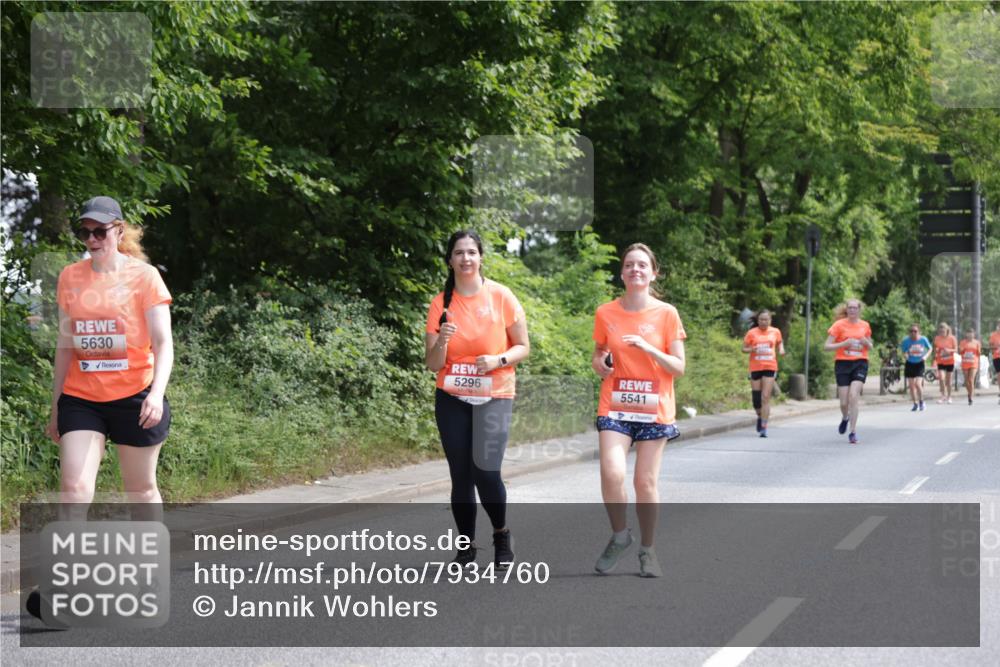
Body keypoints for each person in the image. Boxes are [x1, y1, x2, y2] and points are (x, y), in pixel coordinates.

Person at [29, 196, 173, 620]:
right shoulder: (71, 277)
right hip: (82, 397)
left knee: (140, 489)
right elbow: (65, 346)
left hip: (134, 395)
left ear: (119, 232)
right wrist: (57, 406)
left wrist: (156, 393)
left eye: (100, 231)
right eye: (84, 231)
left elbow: (163, 344)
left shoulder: (144, 278)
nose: (91, 239)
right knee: (74, 488)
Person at [425, 230, 529, 569]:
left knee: (486, 471)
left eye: (471, 252)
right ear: (450, 259)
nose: (465, 258)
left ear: (481, 257)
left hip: (494, 395)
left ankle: (501, 534)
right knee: (461, 475)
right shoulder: (441, 302)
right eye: (459, 253)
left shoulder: (501, 296)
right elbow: (432, 364)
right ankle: (466, 547)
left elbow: (522, 347)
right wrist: (442, 340)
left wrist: (498, 360)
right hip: (452, 396)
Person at [591, 243, 686, 578]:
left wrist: (649, 348)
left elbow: (678, 366)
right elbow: (599, 354)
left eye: (642, 265)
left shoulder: (667, 314)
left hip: (654, 408)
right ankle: (620, 536)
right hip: (615, 403)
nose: (636, 270)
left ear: (653, 273)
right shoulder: (606, 312)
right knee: (611, 472)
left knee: (644, 482)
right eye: (630, 265)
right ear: (622, 273)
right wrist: (600, 364)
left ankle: (648, 550)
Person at [824, 299, 873, 444]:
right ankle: (845, 417)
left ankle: (853, 431)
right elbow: (826, 346)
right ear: (847, 310)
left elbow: (870, 346)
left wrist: (866, 343)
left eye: (854, 308)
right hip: (842, 364)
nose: (852, 310)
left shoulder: (865, 325)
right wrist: (843, 344)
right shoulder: (839, 325)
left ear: (859, 310)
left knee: (853, 396)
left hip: (860, 363)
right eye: (850, 308)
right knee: (844, 402)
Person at [742, 310, 785, 437]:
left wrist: (781, 349)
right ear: (758, 320)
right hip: (755, 367)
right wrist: (751, 349)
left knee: (765, 397)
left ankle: (764, 426)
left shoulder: (775, 331)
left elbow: (780, 342)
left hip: (770, 366)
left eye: (766, 319)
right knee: (756, 400)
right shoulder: (751, 333)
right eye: (761, 319)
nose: (763, 322)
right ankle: (760, 417)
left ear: (770, 320)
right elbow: (743, 348)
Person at [900, 324, 932, 412]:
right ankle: (915, 404)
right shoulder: (906, 341)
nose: (913, 333)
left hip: (919, 363)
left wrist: (925, 356)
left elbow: (930, 348)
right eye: (911, 331)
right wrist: (905, 355)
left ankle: (922, 402)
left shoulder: (923, 339)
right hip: (910, 363)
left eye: (915, 331)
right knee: (911, 385)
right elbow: (904, 351)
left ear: (919, 332)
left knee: (918, 384)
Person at [933, 322, 957, 404]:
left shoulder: (952, 338)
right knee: (941, 378)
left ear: (947, 330)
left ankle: (949, 397)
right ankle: (943, 396)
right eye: (940, 332)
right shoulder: (937, 338)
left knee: (949, 381)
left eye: (943, 331)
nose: (941, 333)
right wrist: (936, 352)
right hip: (941, 361)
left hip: (950, 361)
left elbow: (956, 350)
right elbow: (935, 349)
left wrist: (949, 350)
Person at [958, 329, 981, 406]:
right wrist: (963, 349)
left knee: (971, 380)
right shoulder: (962, 342)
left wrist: (978, 352)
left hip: (974, 363)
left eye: (971, 333)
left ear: (974, 334)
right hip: (965, 362)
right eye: (968, 333)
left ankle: (971, 397)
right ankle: (969, 392)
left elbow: (979, 354)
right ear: (966, 334)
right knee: (966, 381)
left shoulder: (977, 342)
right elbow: (960, 352)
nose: (970, 335)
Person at [990, 320, 1000, 405]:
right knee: (999, 377)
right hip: (997, 357)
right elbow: (991, 347)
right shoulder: (993, 335)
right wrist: (996, 347)